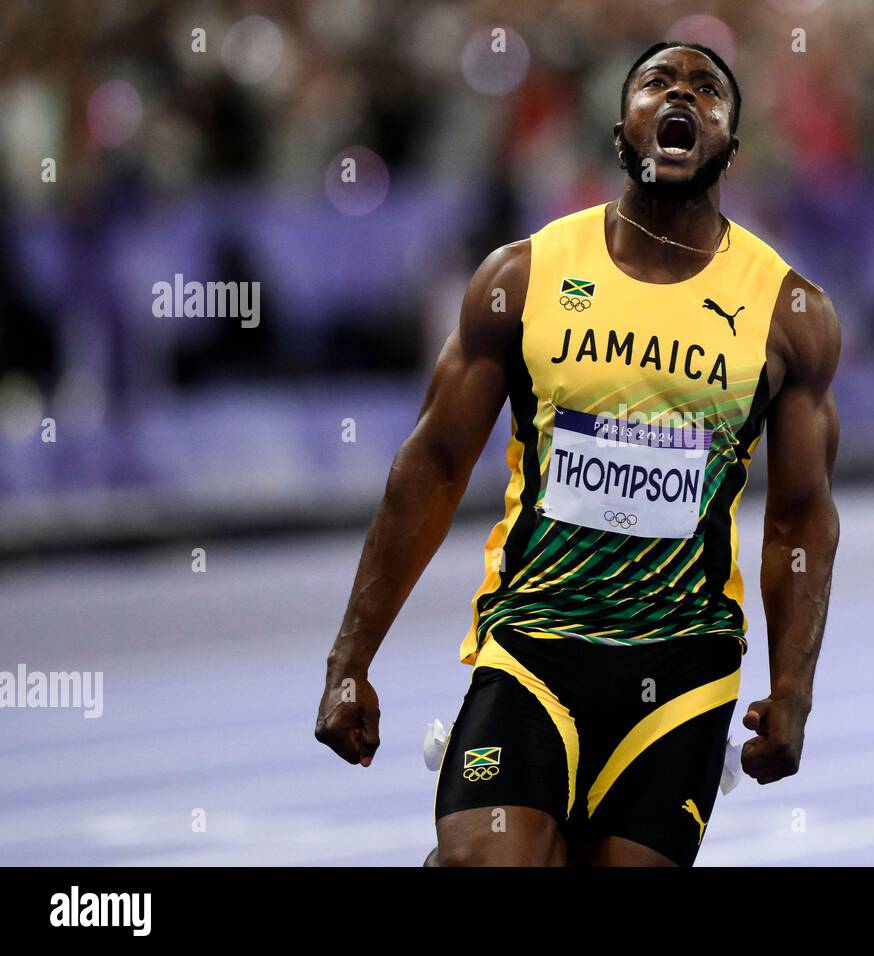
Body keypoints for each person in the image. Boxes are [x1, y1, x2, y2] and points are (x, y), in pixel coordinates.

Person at [315, 40, 840, 867]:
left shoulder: (788, 312)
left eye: (708, 90)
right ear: (622, 130)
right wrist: (351, 659)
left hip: (683, 669)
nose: (682, 95)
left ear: (731, 146)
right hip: (535, 645)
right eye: (657, 83)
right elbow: (433, 467)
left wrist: (794, 690)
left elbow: (801, 517)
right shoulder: (523, 277)